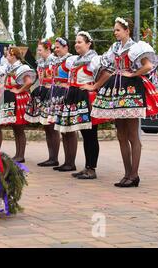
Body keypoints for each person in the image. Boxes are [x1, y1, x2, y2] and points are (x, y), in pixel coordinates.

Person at [89, 17, 158, 187]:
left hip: (132, 90)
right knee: (121, 135)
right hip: (117, 91)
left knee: (133, 134)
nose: (115, 32)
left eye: (118, 29)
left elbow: (148, 66)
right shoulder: (115, 48)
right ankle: (127, 174)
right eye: (114, 29)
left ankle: (134, 175)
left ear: (127, 31)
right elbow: (107, 67)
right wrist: (96, 85)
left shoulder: (136, 47)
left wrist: (133, 74)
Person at [54, 32, 103, 180]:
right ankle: (87, 167)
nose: (76, 44)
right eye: (76, 42)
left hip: (87, 99)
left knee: (91, 134)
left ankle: (92, 168)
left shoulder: (94, 60)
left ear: (88, 44)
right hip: (77, 97)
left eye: (80, 42)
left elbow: (106, 74)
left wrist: (94, 86)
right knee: (85, 134)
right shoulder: (76, 60)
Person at [0, 46, 36, 163]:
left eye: (7, 54)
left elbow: (29, 82)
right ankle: (18, 154)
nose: (6, 56)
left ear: (13, 55)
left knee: (19, 128)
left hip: (19, 98)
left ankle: (20, 155)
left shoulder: (21, 67)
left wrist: (19, 90)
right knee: (15, 128)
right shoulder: (8, 68)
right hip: (12, 98)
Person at [25, 39, 61, 167]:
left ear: (47, 49)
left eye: (40, 50)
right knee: (46, 126)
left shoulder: (54, 61)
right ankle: (50, 156)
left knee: (51, 125)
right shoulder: (40, 63)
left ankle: (54, 157)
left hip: (51, 93)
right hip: (42, 93)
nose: (38, 52)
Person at [51, 37, 79, 172]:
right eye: (55, 47)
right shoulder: (58, 61)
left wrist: (67, 86)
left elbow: (75, 75)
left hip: (67, 94)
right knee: (63, 129)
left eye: (58, 47)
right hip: (58, 94)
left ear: (66, 47)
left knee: (70, 129)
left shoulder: (70, 60)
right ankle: (66, 161)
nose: (56, 50)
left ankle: (71, 162)